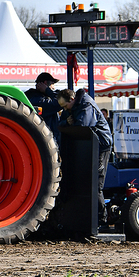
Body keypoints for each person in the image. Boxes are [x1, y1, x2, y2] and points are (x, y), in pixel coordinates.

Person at [57, 89, 112, 226]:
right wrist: (67, 123)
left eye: (65, 106)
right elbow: (61, 123)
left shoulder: (87, 105)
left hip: (101, 146)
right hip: (87, 146)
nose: (64, 109)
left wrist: (68, 123)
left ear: (72, 99)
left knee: (95, 183)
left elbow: (82, 127)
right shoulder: (73, 107)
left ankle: (101, 218)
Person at [25, 72, 62, 146]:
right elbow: (60, 102)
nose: (53, 88)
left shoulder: (36, 97)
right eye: (52, 84)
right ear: (45, 83)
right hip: (46, 140)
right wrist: (47, 90)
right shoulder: (36, 99)